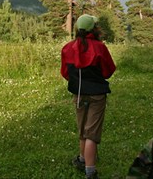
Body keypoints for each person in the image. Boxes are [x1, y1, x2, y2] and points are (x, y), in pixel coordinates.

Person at [61, 14, 116, 179]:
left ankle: (82, 159)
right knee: (91, 133)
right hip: (97, 95)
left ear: (78, 29)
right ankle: (90, 172)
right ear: (95, 29)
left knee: (82, 129)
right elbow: (108, 71)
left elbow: (65, 73)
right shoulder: (100, 48)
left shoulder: (67, 48)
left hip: (78, 94)